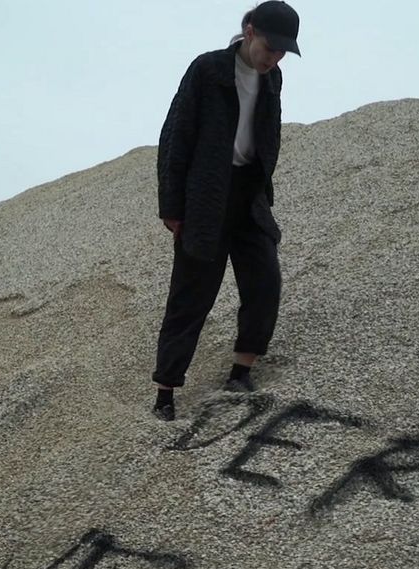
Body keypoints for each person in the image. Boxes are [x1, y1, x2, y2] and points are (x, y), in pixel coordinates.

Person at [152, 1, 301, 421]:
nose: (274, 58)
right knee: (192, 294)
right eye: (270, 48)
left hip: (249, 196)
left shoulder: (274, 78)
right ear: (250, 31)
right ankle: (165, 393)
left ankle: (241, 372)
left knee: (265, 281)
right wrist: (172, 206)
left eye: (283, 52)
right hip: (205, 196)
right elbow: (175, 136)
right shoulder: (208, 69)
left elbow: (268, 132)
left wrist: (264, 187)